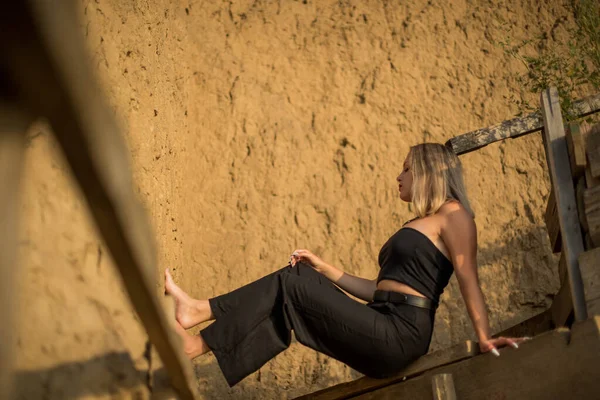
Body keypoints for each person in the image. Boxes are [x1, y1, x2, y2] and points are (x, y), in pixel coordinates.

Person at [164, 142, 528, 387]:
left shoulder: (455, 216)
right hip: (383, 317)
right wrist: (325, 268)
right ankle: (198, 310)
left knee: (293, 284)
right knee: (297, 283)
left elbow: (468, 277)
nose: (398, 176)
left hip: (401, 334)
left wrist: (483, 336)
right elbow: (377, 289)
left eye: (406, 169)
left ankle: (196, 344)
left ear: (427, 172)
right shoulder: (423, 222)